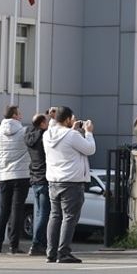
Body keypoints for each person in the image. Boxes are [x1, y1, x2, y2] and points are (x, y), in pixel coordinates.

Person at [43, 106, 95, 264]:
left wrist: (73, 130)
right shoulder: (72, 135)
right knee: (69, 218)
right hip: (72, 181)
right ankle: (63, 252)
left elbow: (65, 142)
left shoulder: (47, 134)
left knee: (55, 216)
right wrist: (89, 132)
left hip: (53, 180)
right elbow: (90, 149)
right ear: (66, 119)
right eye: (72, 118)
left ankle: (51, 252)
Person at [0, 106, 30, 254]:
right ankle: (13, 245)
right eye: (20, 113)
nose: (21, 116)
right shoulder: (25, 132)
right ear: (15, 115)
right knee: (17, 210)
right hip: (22, 175)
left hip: (5, 176)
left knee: (4, 210)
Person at [24, 113, 51, 256]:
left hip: (34, 178)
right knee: (44, 214)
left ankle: (39, 243)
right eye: (46, 121)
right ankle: (36, 244)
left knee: (39, 213)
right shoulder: (44, 137)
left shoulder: (29, 134)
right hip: (44, 178)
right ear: (42, 124)